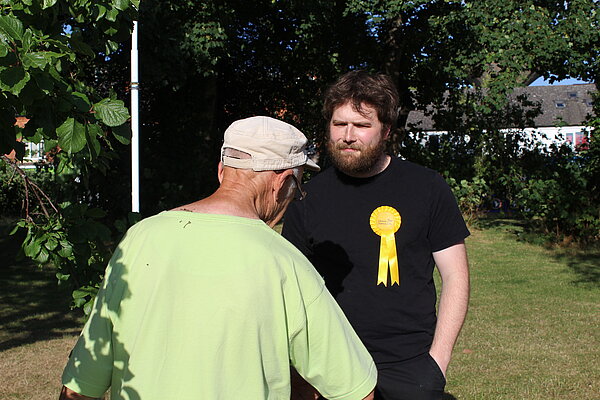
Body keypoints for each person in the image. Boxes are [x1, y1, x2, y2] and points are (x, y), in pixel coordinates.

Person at [59, 116, 377, 400]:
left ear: (222, 170)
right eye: (297, 188)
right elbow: (355, 390)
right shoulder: (286, 263)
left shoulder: (140, 238)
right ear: (282, 183)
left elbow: (80, 385)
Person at [282, 71, 470, 400]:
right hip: (332, 364)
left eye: (362, 125)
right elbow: (290, 291)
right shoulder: (307, 199)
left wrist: (437, 362)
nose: (348, 136)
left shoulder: (427, 188)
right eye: (339, 124)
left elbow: (456, 276)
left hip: (411, 364)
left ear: (385, 131)